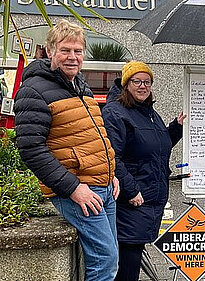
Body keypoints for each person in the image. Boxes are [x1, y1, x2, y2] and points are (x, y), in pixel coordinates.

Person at [14, 19, 119, 280]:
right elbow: (31, 150)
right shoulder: (33, 90)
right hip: (79, 189)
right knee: (105, 262)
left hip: (102, 186)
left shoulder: (79, 85)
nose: (72, 57)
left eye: (78, 51)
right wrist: (73, 188)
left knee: (106, 259)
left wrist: (109, 173)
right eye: (65, 50)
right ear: (50, 51)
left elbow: (90, 136)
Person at [102, 60, 185, 281]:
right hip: (131, 201)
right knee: (128, 264)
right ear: (126, 84)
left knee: (132, 260)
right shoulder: (115, 113)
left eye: (147, 82)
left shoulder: (148, 112)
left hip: (149, 198)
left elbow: (158, 145)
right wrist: (131, 191)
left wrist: (176, 127)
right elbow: (112, 157)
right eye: (137, 81)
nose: (142, 86)